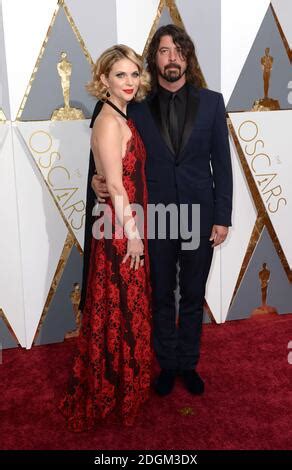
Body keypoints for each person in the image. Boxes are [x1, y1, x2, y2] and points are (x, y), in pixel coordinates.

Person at [85, 25, 233, 397]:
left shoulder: (213, 102)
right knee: (162, 294)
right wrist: (96, 182)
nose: (172, 58)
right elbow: (110, 157)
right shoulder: (132, 104)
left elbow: (223, 164)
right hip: (155, 215)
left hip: (200, 215)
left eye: (179, 50)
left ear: (188, 57)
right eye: (165, 51)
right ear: (155, 58)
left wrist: (222, 216)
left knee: (194, 294)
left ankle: (189, 363)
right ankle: (167, 364)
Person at [59, 45, 152, 431]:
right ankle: (111, 389)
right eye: (120, 75)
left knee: (120, 308)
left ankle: (116, 386)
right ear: (104, 81)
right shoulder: (110, 122)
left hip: (119, 222)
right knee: (121, 307)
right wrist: (132, 236)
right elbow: (115, 183)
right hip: (119, 230)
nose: (129, 82)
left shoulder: (118, 115)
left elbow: (106, 175)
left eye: (133, 74)